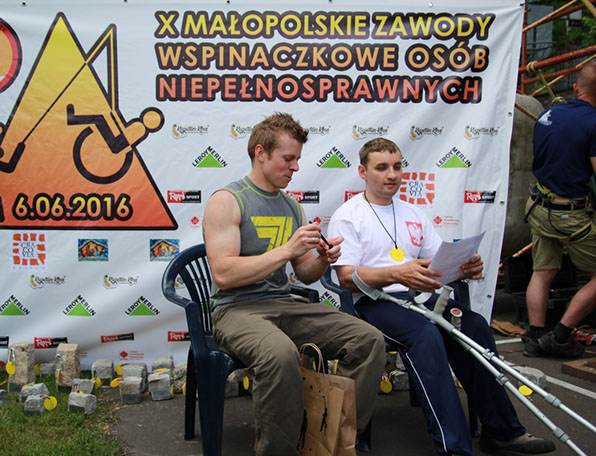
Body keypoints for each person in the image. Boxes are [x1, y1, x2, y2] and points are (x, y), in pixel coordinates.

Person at [328, 138, 555, 456]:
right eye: (381, 168)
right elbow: (346, 277)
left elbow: (437, 263)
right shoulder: (348, 215)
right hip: (373, 302)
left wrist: (463, 268)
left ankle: (502, 431)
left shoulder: (413, 212)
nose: (392, 174)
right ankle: (454, 447)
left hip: (417, 297)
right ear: (363, 172)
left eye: (397, 166)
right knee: (425, 335)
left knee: (474, 325)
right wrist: (397, 274)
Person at [202, 112, 385, 455]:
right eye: (288, 158)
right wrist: (286, 249)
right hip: (236, 309)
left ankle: (332, 441)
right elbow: (224, 274)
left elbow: (305, 274)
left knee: (368, 340)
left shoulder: (292, 207)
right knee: (279, 353)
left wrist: (322, 259)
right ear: (260, 153)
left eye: (297, 158)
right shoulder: (227, 200)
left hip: (283, 305)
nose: (295, 167)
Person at [523, 62, 596, 359]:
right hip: (569, 214)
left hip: (539, 207)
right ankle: (561, 335)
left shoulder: (548, 115)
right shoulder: (593, 123)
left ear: (577, 88)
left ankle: (535, 337)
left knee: (543, 271)